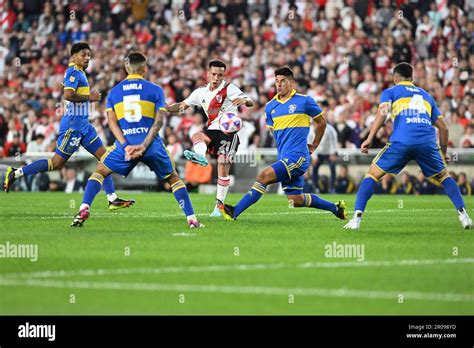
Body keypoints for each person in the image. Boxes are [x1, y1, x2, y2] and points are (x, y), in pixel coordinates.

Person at [71, 52, 204, 229]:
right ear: (145, 69)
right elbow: (159, 121)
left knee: (100, 172)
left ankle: (84, 208)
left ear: (127, 68)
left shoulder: (114, 92)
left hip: (124, 145)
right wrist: (144, 145)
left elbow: (111, 122)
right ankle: (192, 219)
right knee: (173, 178)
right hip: (150, 145)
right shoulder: (155, 89)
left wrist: (126, 146)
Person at [3, 42, 134, 210]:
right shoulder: (73, 72)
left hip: (84, 126)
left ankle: (112, 198)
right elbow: (68, 95)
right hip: (73, 127)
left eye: (89, 55)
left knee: (105, 158)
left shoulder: (78, 72)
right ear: (74, 56)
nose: (87, 58)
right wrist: (90, 97)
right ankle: (16, 173)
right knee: (56, 164)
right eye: (83, 54)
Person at [344, 62, 472, 230]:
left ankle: (357, 219)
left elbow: (382, 114)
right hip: (426, 143)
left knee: (372, 175)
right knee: (444, 177)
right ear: (412, 78)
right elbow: (444, 128)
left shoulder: (390, 92)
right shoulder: (427, 96)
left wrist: (369, 137)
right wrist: (444, 152)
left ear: (395, 78)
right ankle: (464, 216)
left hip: (401, 142)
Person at [220, 67, 347, 221]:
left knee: (263, 175)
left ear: (291, 83)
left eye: (283, 81)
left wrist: (314, 144)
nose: (279, 85)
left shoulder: (304, 101)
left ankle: (235, 211)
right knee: (296, 200)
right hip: (284, 157)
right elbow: (275, 133)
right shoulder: (270, 106)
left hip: (298, 156)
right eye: (277, 81)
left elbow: (321, 123)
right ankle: (336, 208)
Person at [166, 60, 254, 217]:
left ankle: (218, 207)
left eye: (220, 75)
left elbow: (250, 102)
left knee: (222, 165)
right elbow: (182, 106)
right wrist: (165, 108)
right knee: (197, 135)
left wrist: (244, 100)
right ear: (208, 74)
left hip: (228, 132)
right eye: (214, 74)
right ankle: (200, 155)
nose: (216, 78)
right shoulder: (200, 92)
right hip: (213, 129)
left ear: (223, 75)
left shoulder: (229, 88)